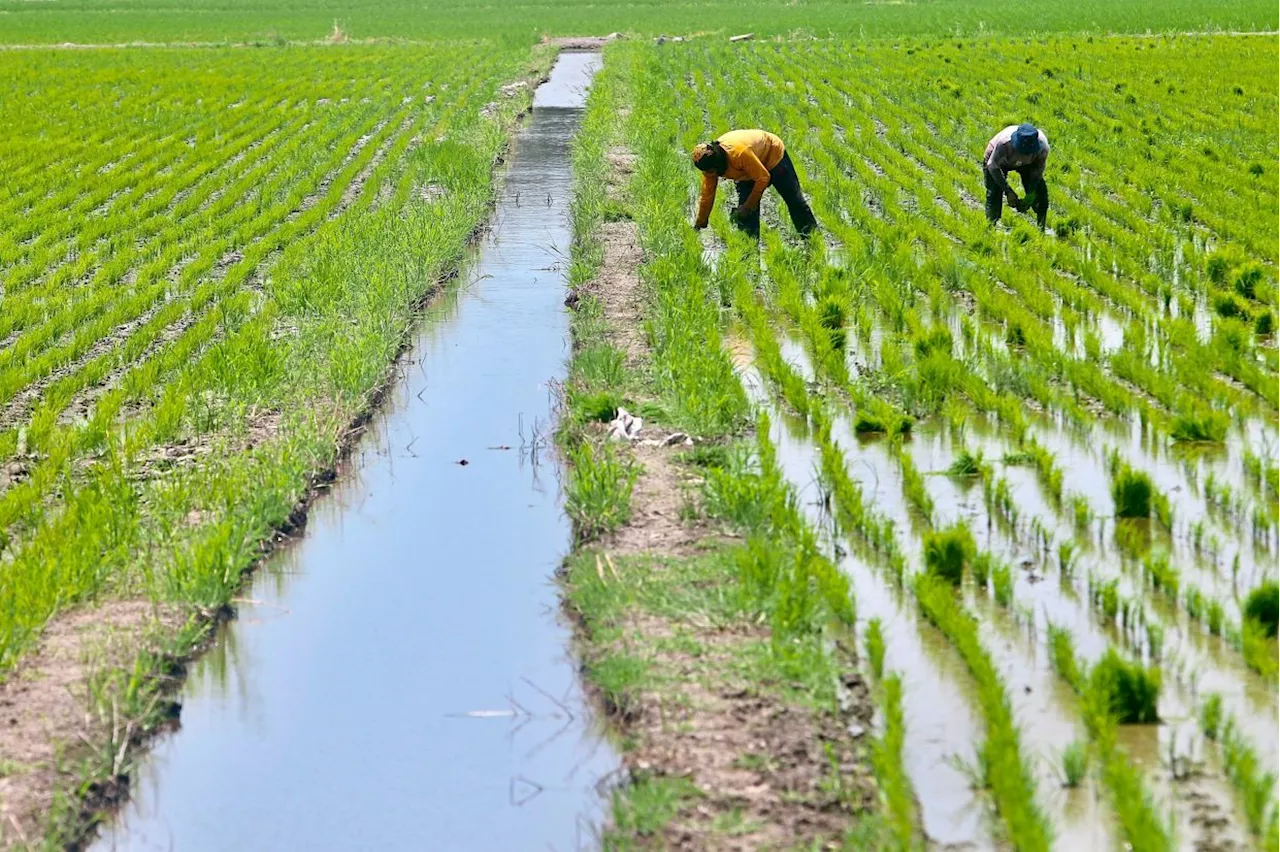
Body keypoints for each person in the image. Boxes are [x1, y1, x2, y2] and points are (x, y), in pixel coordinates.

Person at [691, 129, 817, 238]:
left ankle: (812, 239)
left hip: (772, 155)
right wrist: (700, 222)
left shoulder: (738, 153)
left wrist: (748, 206)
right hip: (747, 172)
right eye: (708, 171)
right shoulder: (710, 169)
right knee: (746, 217)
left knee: (795, 201)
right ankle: (750, 253)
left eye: (712, 170)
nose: (710, 173)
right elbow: (707, 195)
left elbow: (763, 178)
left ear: (717, 161)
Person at [983, 123, 1050, 229]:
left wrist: (1030, 195)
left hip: (1028, 166)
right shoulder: (1004, 144)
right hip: (1000, 162)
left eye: (1027, 153)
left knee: (1040, 195)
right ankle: (990, 226)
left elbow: (1037, 174)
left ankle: (1041, 229)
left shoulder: (1042, 148)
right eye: (1022, 151)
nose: (1023, 156)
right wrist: (1008, 191)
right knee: (994, 193)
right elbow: (992, 166)